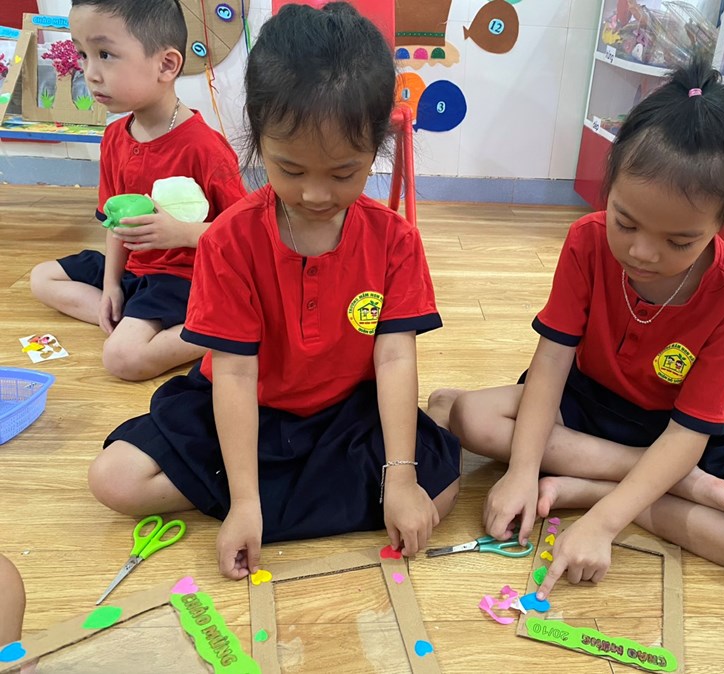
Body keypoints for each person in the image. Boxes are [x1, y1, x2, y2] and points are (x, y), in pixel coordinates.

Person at [438, 58, 724, 598]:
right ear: (609, 180)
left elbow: (689, 433)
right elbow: (552, 361)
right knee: (467, 413)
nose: (643, 253)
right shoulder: (587, 242)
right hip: (596, 397)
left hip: (690, 428)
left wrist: (605, 519)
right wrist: (520, 473)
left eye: (680, 241)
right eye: (625, 222)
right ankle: (674, 485)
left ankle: (603, 489)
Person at [87, 3, 461, 580]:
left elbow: (392, 357)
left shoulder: (395, 240)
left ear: (377, 146)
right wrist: (243, 501)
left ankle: (290, 492)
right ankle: (276, 495)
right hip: (248, 406)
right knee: (113, 479)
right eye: (291, 169)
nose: (315, 195)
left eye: (343, 173)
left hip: (343, 413)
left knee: (439, 492)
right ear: (258, 141)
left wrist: (402, 476)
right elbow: (235, 374)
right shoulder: (230, 239)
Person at [30, 0, 247, 381]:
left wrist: (181, 233)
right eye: (83, 54)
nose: (90, 73)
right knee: (42, 278)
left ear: (166, 65)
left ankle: (228, 326)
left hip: (184, 277)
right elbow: (114, 224)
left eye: (105, 54)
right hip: (135, 270)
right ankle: (133, 318)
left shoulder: (204, 148)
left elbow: (245, 236)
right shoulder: (115, 137)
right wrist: (111, 285)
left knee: (121, 360)